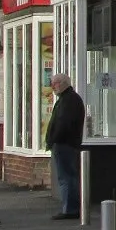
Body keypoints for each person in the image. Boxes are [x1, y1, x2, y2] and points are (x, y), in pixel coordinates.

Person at [44, 73, 85, 220]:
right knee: (68, 176)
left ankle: (70, 209)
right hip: (66, 143)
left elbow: (63, 124)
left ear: (62, 83)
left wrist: (54, 139)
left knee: (67, 177)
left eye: (54, 83)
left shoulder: (69, 100)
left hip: (65, 144)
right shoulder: (68, 99)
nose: (52, 86)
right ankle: (70, 207)